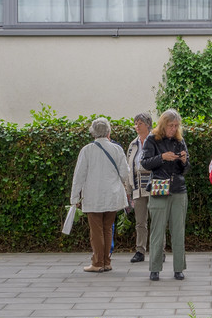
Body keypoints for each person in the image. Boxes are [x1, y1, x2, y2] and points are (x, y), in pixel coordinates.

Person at [70, 117, 132, 273]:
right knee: (107, 229)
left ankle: (97, 263)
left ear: (93, 133)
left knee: (96, 230)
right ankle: (107, 262)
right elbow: (125, 174)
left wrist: (75, 199)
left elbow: (79, 176)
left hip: (94, 196)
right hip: (113, 195)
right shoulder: (117, 149)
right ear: (108, 132)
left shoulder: (87, 150)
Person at [141, 109, 190, 281]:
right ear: (163, 124)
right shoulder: (152, 139)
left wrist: (183, 160)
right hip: (159, 187)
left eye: (176, 126)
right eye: (171, 126)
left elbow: (186, 168)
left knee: (178, 231)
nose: (174, 129)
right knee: (157, 231)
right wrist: (162, 157)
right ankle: (154, 268)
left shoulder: (179, 140)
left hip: (178, 189)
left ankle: (179, 268)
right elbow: (145, 163)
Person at [124, 112, 153, 263]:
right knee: (140, 222)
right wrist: (128, 189)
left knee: (157, 221)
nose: (136, 126)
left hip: (154, 185)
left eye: (139, 123)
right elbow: (129, 166)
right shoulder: (133, 144)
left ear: (148, 124)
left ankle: (158, 251)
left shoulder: (156, 140)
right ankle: (140, 251)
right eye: (135, 123)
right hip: (137, 187)